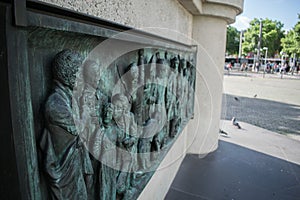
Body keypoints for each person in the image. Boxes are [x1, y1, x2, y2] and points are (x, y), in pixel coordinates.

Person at [39, 49, 94, 200]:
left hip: (76, 164)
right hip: (65, 173)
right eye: (79, 72)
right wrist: (87, 109)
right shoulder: (55, 104)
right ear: (68, 74)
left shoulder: (69, 97)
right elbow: (79, 129)